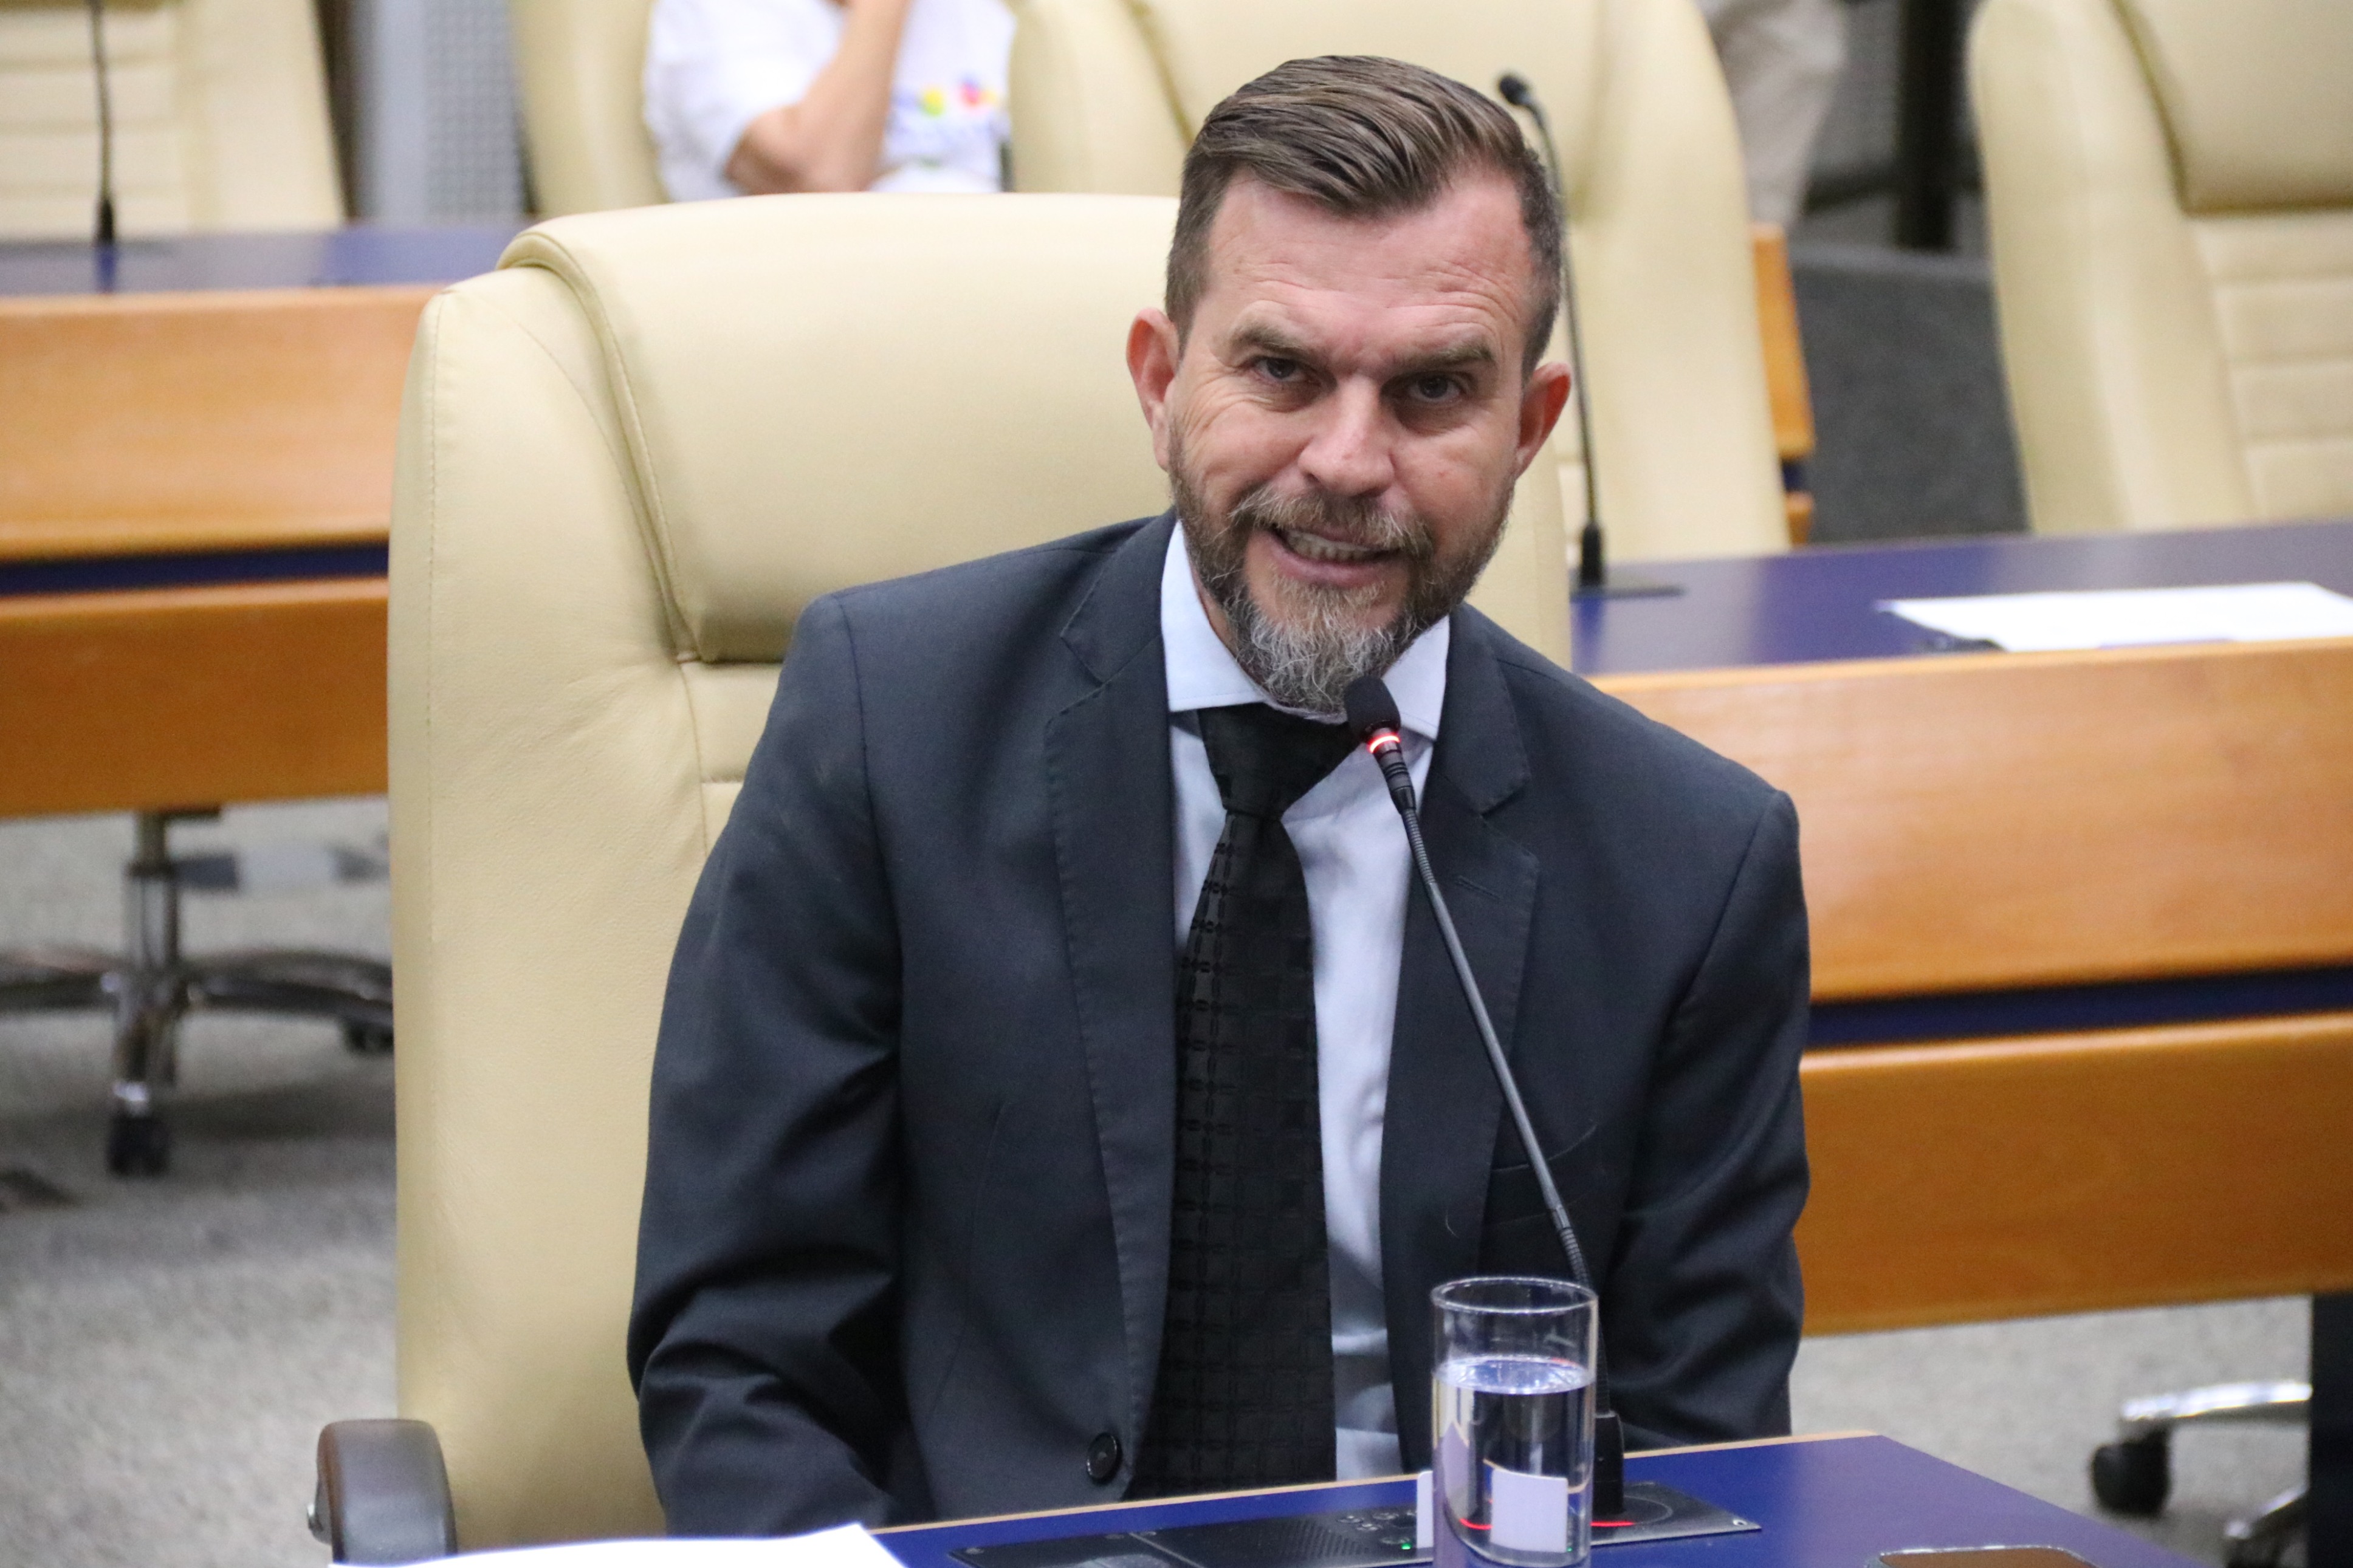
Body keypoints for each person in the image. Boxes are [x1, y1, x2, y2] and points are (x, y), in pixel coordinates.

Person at [630, 55, 1810, 1536]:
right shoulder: (893, 724)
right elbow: (739, 1352)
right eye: (1282, 371)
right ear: (1158, 379)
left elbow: (1701, 1460)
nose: (1347, 461)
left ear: (1528, 426)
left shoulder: (1689, 861)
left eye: (1432, 390)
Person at [644, 0, 1013, 200]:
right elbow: (820, 178)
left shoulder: (973, 11)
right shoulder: (712, 11)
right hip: (824, 295)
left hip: (990, 272)